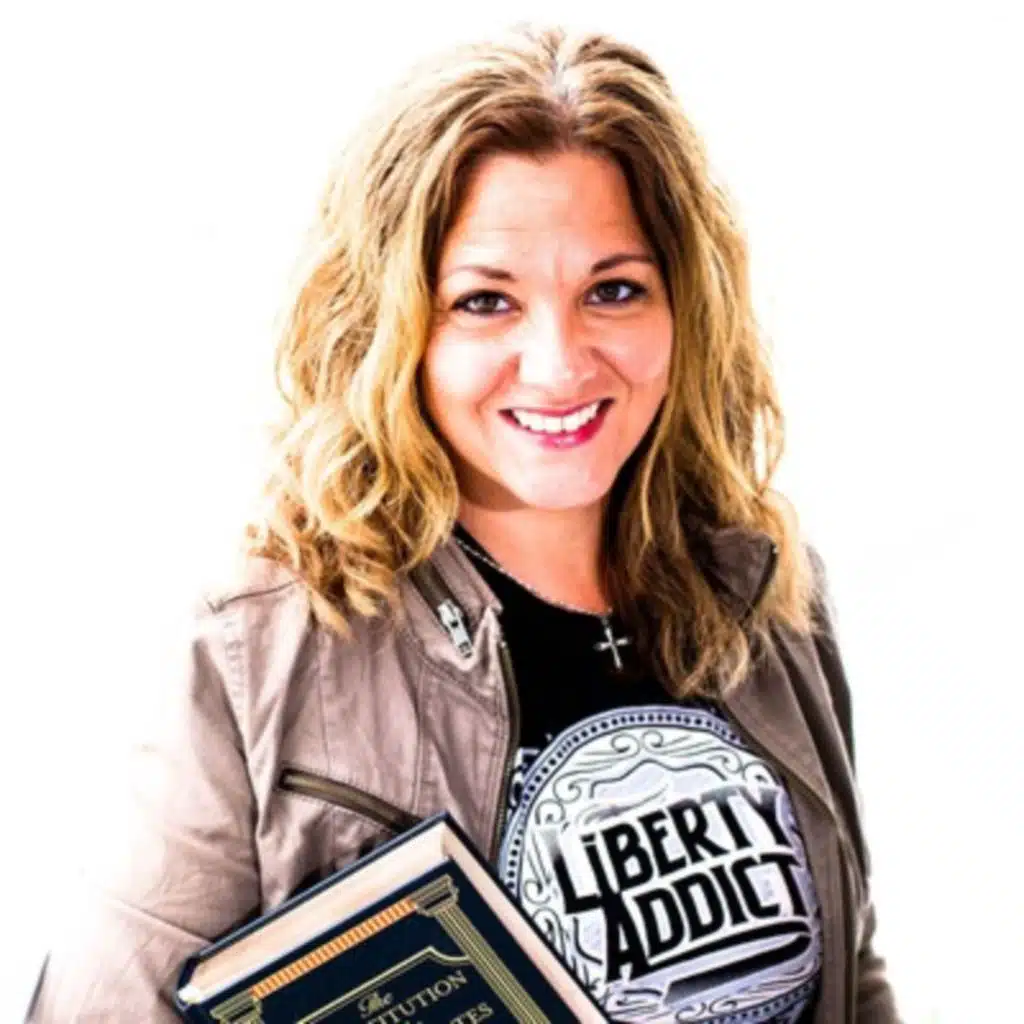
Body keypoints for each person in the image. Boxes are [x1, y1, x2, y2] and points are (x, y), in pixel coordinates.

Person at [28, 23, 899, 1023]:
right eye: (486, 302)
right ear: (393, 323)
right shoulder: (260, 652)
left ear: (684, 309)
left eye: (613, 290)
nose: (559, 363)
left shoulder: (765, 594)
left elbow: (849, 964)